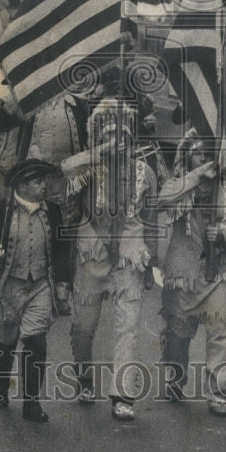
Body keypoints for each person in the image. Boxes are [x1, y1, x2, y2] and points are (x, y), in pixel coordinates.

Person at [62, 98, 159, 421]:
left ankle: (122, 395)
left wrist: (151, 264)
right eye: (111, 136)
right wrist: (99, 152)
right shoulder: (90, 168)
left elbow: (152, 219)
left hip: (129, 260)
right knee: (84, 327)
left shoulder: (146, 173)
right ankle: (84, 375)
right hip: (92, 257)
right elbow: (65, 171)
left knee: (127, 329)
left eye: (125, 136)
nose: (120, 143)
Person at [157, 131, 226, 416]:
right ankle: (176, 378)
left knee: (222, 332)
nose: (206, 159)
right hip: (182, 276)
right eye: (199, 153)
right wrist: (198, 174)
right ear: (188, 156)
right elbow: (162, 200)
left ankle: (219, 391)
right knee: (178, 335)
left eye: (209, 155)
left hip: (218, 273)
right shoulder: (180, 185)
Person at [0, 159, 71, 423]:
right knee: (4, 343)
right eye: (38, 182)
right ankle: (1, 387)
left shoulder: (52, 210)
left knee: (36, 341)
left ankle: (31, 403)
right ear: (22, 185)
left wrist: (63, 284)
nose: (44, 186)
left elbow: (62, 249)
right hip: (9, 286)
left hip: (40, 285)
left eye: (44, 181)